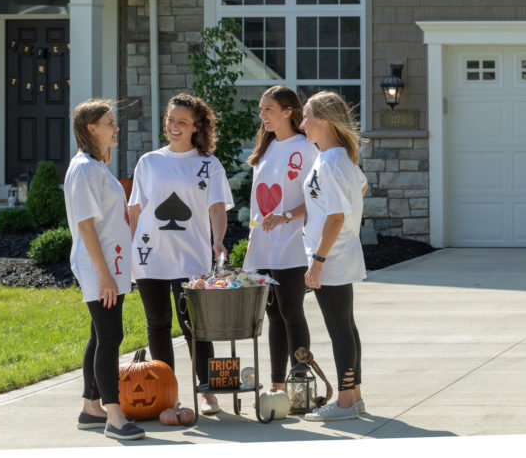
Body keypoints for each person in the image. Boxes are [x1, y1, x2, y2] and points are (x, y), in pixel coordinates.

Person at [128, 93, 234, 415]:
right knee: (157, 324)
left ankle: (209, 392)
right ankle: (167, 395)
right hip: (151, 257)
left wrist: (219, 241)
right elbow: (135, 208)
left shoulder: (208, 165)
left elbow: (217, 208)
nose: (174, 127)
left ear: (196, 127)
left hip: (191, 258)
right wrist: (128, 245)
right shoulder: (149, 162)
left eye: (182, 122)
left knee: (196, 325)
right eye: (171, 120)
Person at [64, 99, 145, 440]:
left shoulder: (96, 168)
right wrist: (105, 274)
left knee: (100, 335)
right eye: (110, 122)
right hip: (102, 268)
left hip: (111, 265)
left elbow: (111, 220)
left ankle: (91, 407)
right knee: (111, 337)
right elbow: (85, 227)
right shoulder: (84, 169)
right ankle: (114, 416)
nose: (117, 128)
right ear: (90, 128)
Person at [242, 85, 319, 391]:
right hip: (263, 246)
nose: (262, 116)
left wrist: (286, 217)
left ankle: (300, 383)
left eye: (268, 110)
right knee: (272, 315)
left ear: (289, 112)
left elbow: (317, 199)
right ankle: (277, 385)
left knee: (291, 310)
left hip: (293, 244)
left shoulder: (307, 148)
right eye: (261, 110)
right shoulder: (268, 147)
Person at [298, 91, 368, 421]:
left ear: (322, 120)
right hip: (337, 252)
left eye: (306, 116)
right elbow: (361, 187)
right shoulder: (334, 158)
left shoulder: (334, 161)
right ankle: (353, 397)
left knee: (340, 329)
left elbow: (336, 216)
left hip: (333, 256)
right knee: (346, 326)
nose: (302, 123)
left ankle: (343, 403)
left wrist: (318, 260)